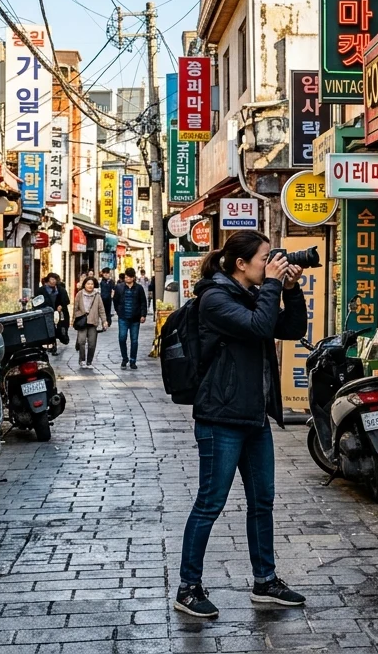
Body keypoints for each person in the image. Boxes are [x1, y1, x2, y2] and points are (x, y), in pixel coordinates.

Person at [175, 230, 307, 619]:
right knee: (210, 503)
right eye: (265, 258)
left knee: (262, 501)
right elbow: (258, 328)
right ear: (241, 264)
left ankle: (265, 582)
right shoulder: (214, 299)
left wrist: (292, 289)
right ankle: (188, 587)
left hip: (253, 416)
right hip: (220, 417)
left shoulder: (251, 293)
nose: (271, 263)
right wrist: (271, 286)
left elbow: (290, 329)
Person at [111, 268, 148, 369]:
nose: (127, 279)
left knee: (134, 340)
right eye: (126, 277)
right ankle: (124, 358)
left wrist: (143, 315)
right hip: (123, 317)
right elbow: (115, 300)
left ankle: (133, 360)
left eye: (129, 277)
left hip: (135, 318)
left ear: (133, 278)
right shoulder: (119, 287)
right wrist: (118, 311)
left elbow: (143, 302)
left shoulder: (139, 288)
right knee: (122, 338)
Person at [72, 277, 108, 368]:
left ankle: (89, 361)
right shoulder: (79, 294)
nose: (90, 286)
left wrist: (104, 321)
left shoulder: (97, 295)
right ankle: (82, 360)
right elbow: (75, 308)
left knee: (92, 343)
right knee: (81, 341)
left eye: (92, 284)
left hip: (93, 322)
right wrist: (74, 319)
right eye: (88, 284)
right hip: (82, 321)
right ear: (84, 284)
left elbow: (101, 309)